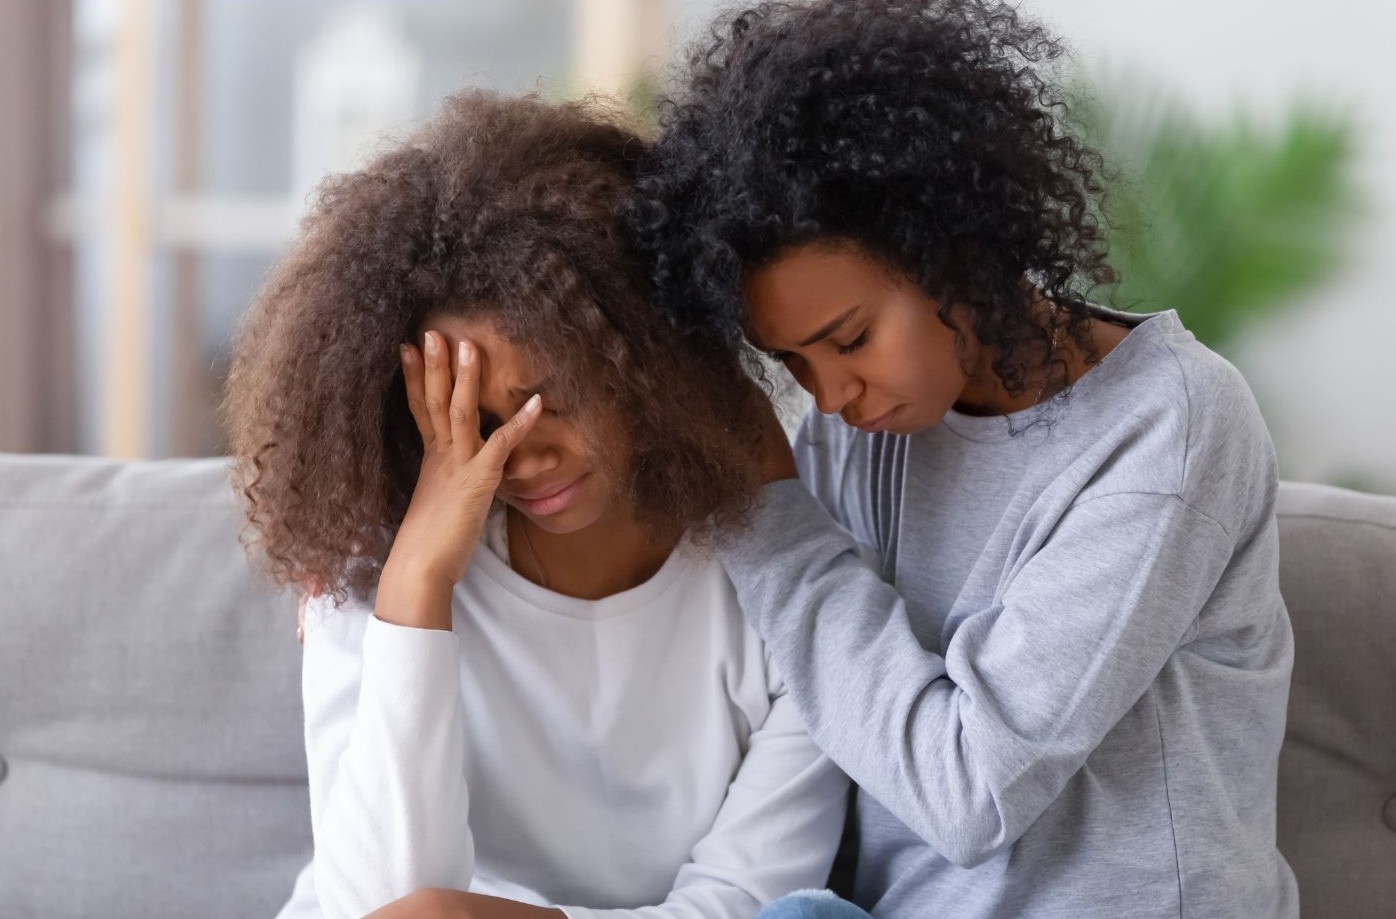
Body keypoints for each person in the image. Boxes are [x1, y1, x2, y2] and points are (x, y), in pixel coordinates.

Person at [629, 1, 1298, 916]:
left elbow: (970, 792)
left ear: (956, 249)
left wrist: (769, 510)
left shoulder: (1168, 427)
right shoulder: (860, 431)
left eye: (851, 338)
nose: (828, 397)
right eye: (792, 363)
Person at [223, 90, 847, 919]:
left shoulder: (780, 591)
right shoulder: (378, 571)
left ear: (645, 359)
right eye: (472, 422)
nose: (523, 453)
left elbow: (755, 905)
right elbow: (378, 907)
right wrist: (415, 588)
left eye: (552, 397)